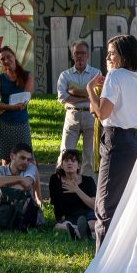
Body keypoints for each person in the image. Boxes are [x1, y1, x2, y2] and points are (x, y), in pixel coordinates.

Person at [86, 34, 137, 250]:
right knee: (124, 205)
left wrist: (90, 90)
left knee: (105, 208)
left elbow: (102, 113)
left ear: (124, 55)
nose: (108, 57)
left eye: (112, 53)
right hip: (133, 143)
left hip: (116, 142)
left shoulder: (115, 77)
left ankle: (100, 268)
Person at [56, 40, 100, 178]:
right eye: (77, 53)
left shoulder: (96, 74)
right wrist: (87, 95)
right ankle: (62, 184)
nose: (80, 56)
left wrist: (74, 91)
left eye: (83, 53)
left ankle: (88, 188)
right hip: (72, 116)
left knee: (90, 156)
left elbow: (99, 96)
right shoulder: (65, 75)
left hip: (90, 116)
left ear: (88, 55)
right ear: (72, 55)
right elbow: (63, 97)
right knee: (65, 152)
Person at [0, 46, 34, 164]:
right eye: (2, 59)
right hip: (3, 122)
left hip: (21, 122)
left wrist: (3, 106)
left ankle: (28, 181)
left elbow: (25, 99)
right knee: (7, 158)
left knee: (27, 158)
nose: (6, 60)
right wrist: (12, 107)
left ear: (14, 56)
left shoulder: (27, 75)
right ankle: (7, 182)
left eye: (8, 57)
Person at [0, 142, 41, 226]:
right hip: (3, 208)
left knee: (20, 189)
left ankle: (9, 221)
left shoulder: (30, 167)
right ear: (12, 156)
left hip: (27, 211)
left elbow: (27, 184)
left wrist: (4, 183)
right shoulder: (0, 170)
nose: (26, 162)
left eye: (28, 159)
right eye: (22, 158)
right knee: (17, 188)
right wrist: (19, 178)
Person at [49, 149, 96, 240]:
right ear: (62, 165)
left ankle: (77, 232)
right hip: (71, 216)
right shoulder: (55, 179)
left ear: (79, 166)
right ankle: (85, 233)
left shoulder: (88, 180)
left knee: (94, 224)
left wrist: (77, 190)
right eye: (66, 161)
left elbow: (94, 205)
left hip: (88, 213)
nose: (69, 163)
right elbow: (55, 203)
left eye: (73, 160)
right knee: (58, 227)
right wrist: (59, 220)